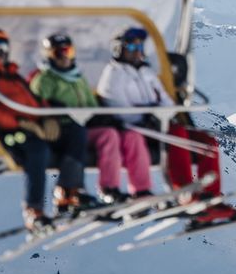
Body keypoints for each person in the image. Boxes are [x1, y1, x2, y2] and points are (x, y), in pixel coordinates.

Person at [97, 26, 236, 226]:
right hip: (133, 130)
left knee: (206, 141)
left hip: (158, 125)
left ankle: (211, 198)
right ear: (118, 49)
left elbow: (168, 103)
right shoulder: (113, 75)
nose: (136, 49)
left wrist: (159, 112)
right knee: (176, 132)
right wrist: (151, 113)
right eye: (131, 45)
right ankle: (184, 194)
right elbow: (119, 110)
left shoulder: (146, 72)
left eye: (139, 45)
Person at [0, 27, 95, 233]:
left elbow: (35, 102)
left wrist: (49, 117)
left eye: (3, 46)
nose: (0, 52)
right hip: (13, 135)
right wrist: (24, 123)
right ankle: (34, 210)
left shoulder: (12, 76)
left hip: (35, 127)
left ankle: (68, 191)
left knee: (75, 132)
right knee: (38, 150)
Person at [29, 33, 154, 205]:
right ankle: (107, 188)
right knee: (108, 135)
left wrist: (104, 118)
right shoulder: (44, 80)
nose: (65, 57)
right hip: (63, 130)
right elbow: (35, 105)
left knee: (124, 135)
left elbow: (92, 104)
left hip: (85, 128)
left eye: (69, 52)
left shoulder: (78, 77)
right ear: (49, 56)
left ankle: (136, 190)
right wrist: (51, 113)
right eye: (59, 53)